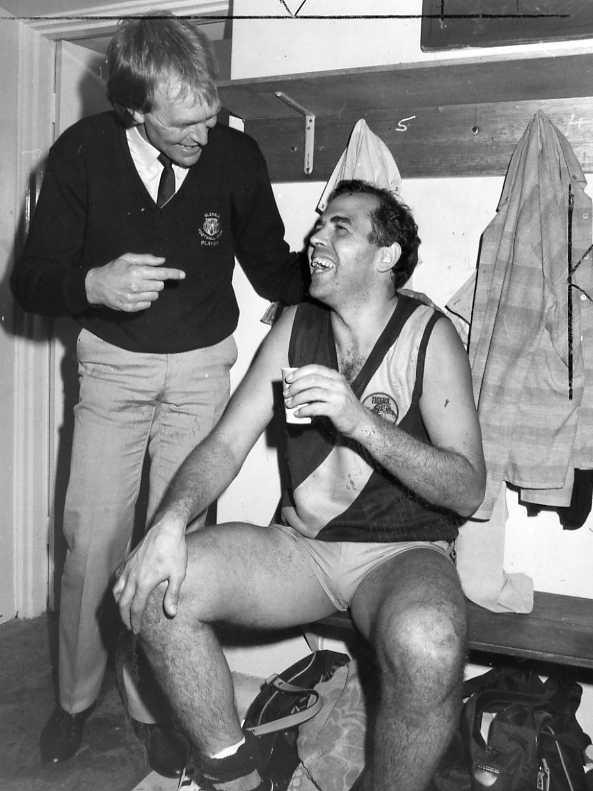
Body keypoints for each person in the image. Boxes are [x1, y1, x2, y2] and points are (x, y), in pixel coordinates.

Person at [113, 179, 487, 791]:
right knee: (155, 587)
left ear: (386, 255)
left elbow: (468, 489)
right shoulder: (295, 325)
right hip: (303, 549)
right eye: (319, 224)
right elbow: (226, 444)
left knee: (430, 643)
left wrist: (359, 420)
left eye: (341, 226)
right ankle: (234, 773)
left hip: (401, 553)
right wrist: (169, 524)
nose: (317, 235)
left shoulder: (429, 335)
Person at [10, 15, 307, 771]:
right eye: (184, 124)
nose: (203, 137)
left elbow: (273, 269)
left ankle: (150, 706)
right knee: (92, 542)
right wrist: (92, 283)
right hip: (113, 369)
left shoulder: (235, 153)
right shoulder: (81, 154)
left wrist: (348, 281)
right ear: (133, 109)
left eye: (209, 116)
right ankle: (76, 700)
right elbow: (29, 279)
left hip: (203, 371)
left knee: (172, 550)